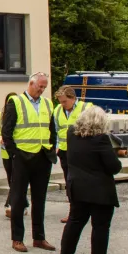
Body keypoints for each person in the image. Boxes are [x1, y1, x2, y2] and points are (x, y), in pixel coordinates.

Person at [58, 104, 128, 254]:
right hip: (99, 190)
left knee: (75, 221)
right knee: (100, 225)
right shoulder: (101, 139)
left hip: (76, 185)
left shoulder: (71, 134)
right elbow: (113, 166)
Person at [0, 72, 58, 252]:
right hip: (23, 157)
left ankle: (39, 237)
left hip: (42, 156)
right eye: (40, 86)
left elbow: (51, 129)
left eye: (44, 87)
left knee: (40, 199)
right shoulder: (16, 102)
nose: (42, 90)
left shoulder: (48, 103)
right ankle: (17, 238)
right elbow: (6, 132)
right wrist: (15, 154)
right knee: (18, 198)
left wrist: (50, 148)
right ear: (31, 84)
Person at [53, 85, 86, 224]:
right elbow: (55, 130)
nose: (62, 104)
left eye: (64, 101)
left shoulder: (85, 109)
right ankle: (73, 211)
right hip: (65, 152)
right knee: (69, 182)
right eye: (60, 101)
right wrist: (56, 147)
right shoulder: (57, 110)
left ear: (73, 98)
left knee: (83, 181)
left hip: (82, 152)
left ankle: (85, 210)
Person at [0, 92, 20, 218]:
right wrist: (0, 139)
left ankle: (13, 204)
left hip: (18, 151)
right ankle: (19, 202)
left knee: (17, 179)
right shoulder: (0, 115)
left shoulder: (20, 114)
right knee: (11, 179)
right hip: (6, 153)